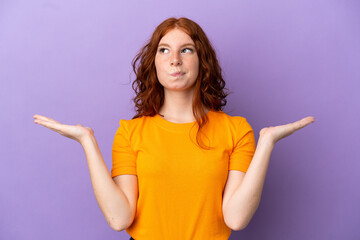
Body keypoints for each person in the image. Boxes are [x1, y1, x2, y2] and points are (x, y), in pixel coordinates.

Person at [33, 17, 315, 240]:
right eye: (164, 50)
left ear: (202, 61)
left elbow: (236, 219)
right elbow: (120, 219)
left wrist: (266, 143)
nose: (174, 59)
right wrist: (87, 142)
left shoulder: (236, 130)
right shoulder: (131, 133)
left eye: (186, 50)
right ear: (154, 63)